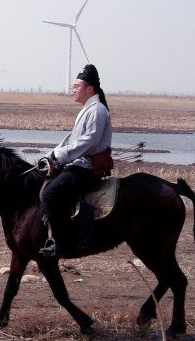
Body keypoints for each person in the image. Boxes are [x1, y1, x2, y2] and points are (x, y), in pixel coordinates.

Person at [38, 64, 112, 257]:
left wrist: (60, 156)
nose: (73, 90)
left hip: (86, 168)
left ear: (90, 89)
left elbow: (88, 142)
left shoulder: (97, 110)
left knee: (49, 195)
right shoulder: (88, 109)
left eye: (77, 86)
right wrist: (51, 155)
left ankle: (60, 243)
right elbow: (72, 140)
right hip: (78, 164)